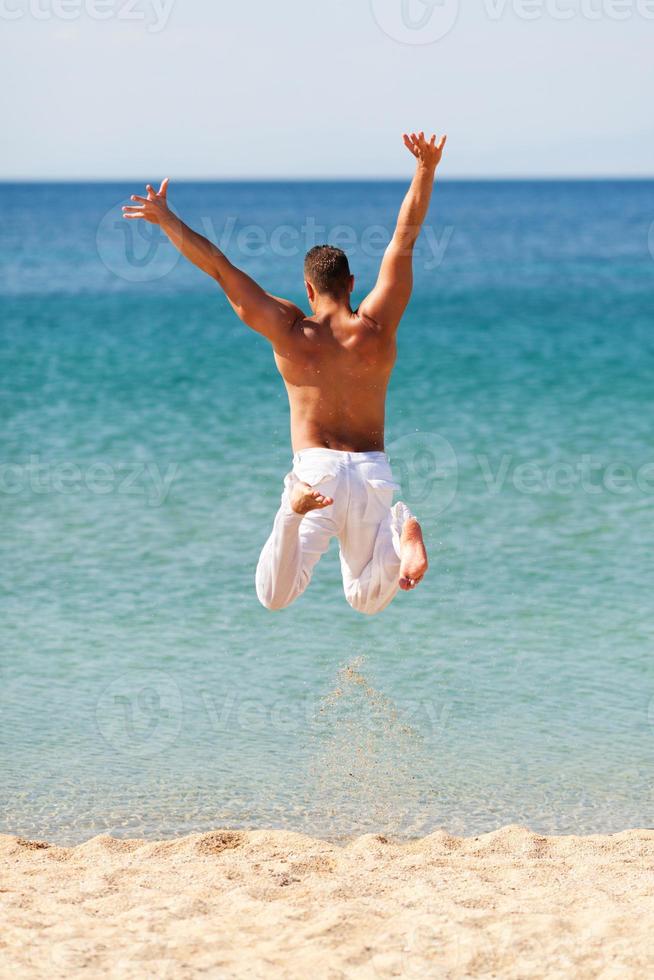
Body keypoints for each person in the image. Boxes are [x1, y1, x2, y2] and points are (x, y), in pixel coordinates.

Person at [123, 131, 447, 615]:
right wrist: (425, 169)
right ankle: (402, 532)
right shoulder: (377, 326)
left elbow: (219, 268)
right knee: (365, 600)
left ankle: (291, 515)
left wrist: (166, 218)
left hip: (316, 476)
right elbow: (405, 237)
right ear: (352, 284)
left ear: (308, 289)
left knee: (274, 596)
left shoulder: (291, 330)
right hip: (373, 473)